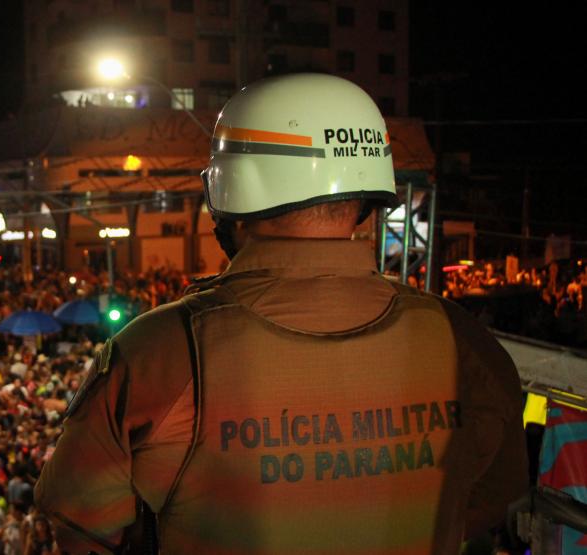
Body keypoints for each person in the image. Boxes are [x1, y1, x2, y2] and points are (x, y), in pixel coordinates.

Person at [35, 74, 529, 554]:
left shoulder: (161, 351)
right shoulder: (464, 341)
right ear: (366, 193)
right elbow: (492, 500)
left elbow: (79, 520)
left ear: (230, 190)